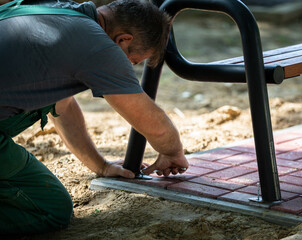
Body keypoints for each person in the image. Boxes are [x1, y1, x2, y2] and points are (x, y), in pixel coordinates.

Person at [0, 0, 188, 235]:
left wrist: (101, 166)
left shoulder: (59, 12)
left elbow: (63, 106)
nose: (128, 66)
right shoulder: (96, 44)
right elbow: (154, 126)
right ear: (123, 40)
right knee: (50, 208)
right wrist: (173, 153)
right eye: (133, 61)